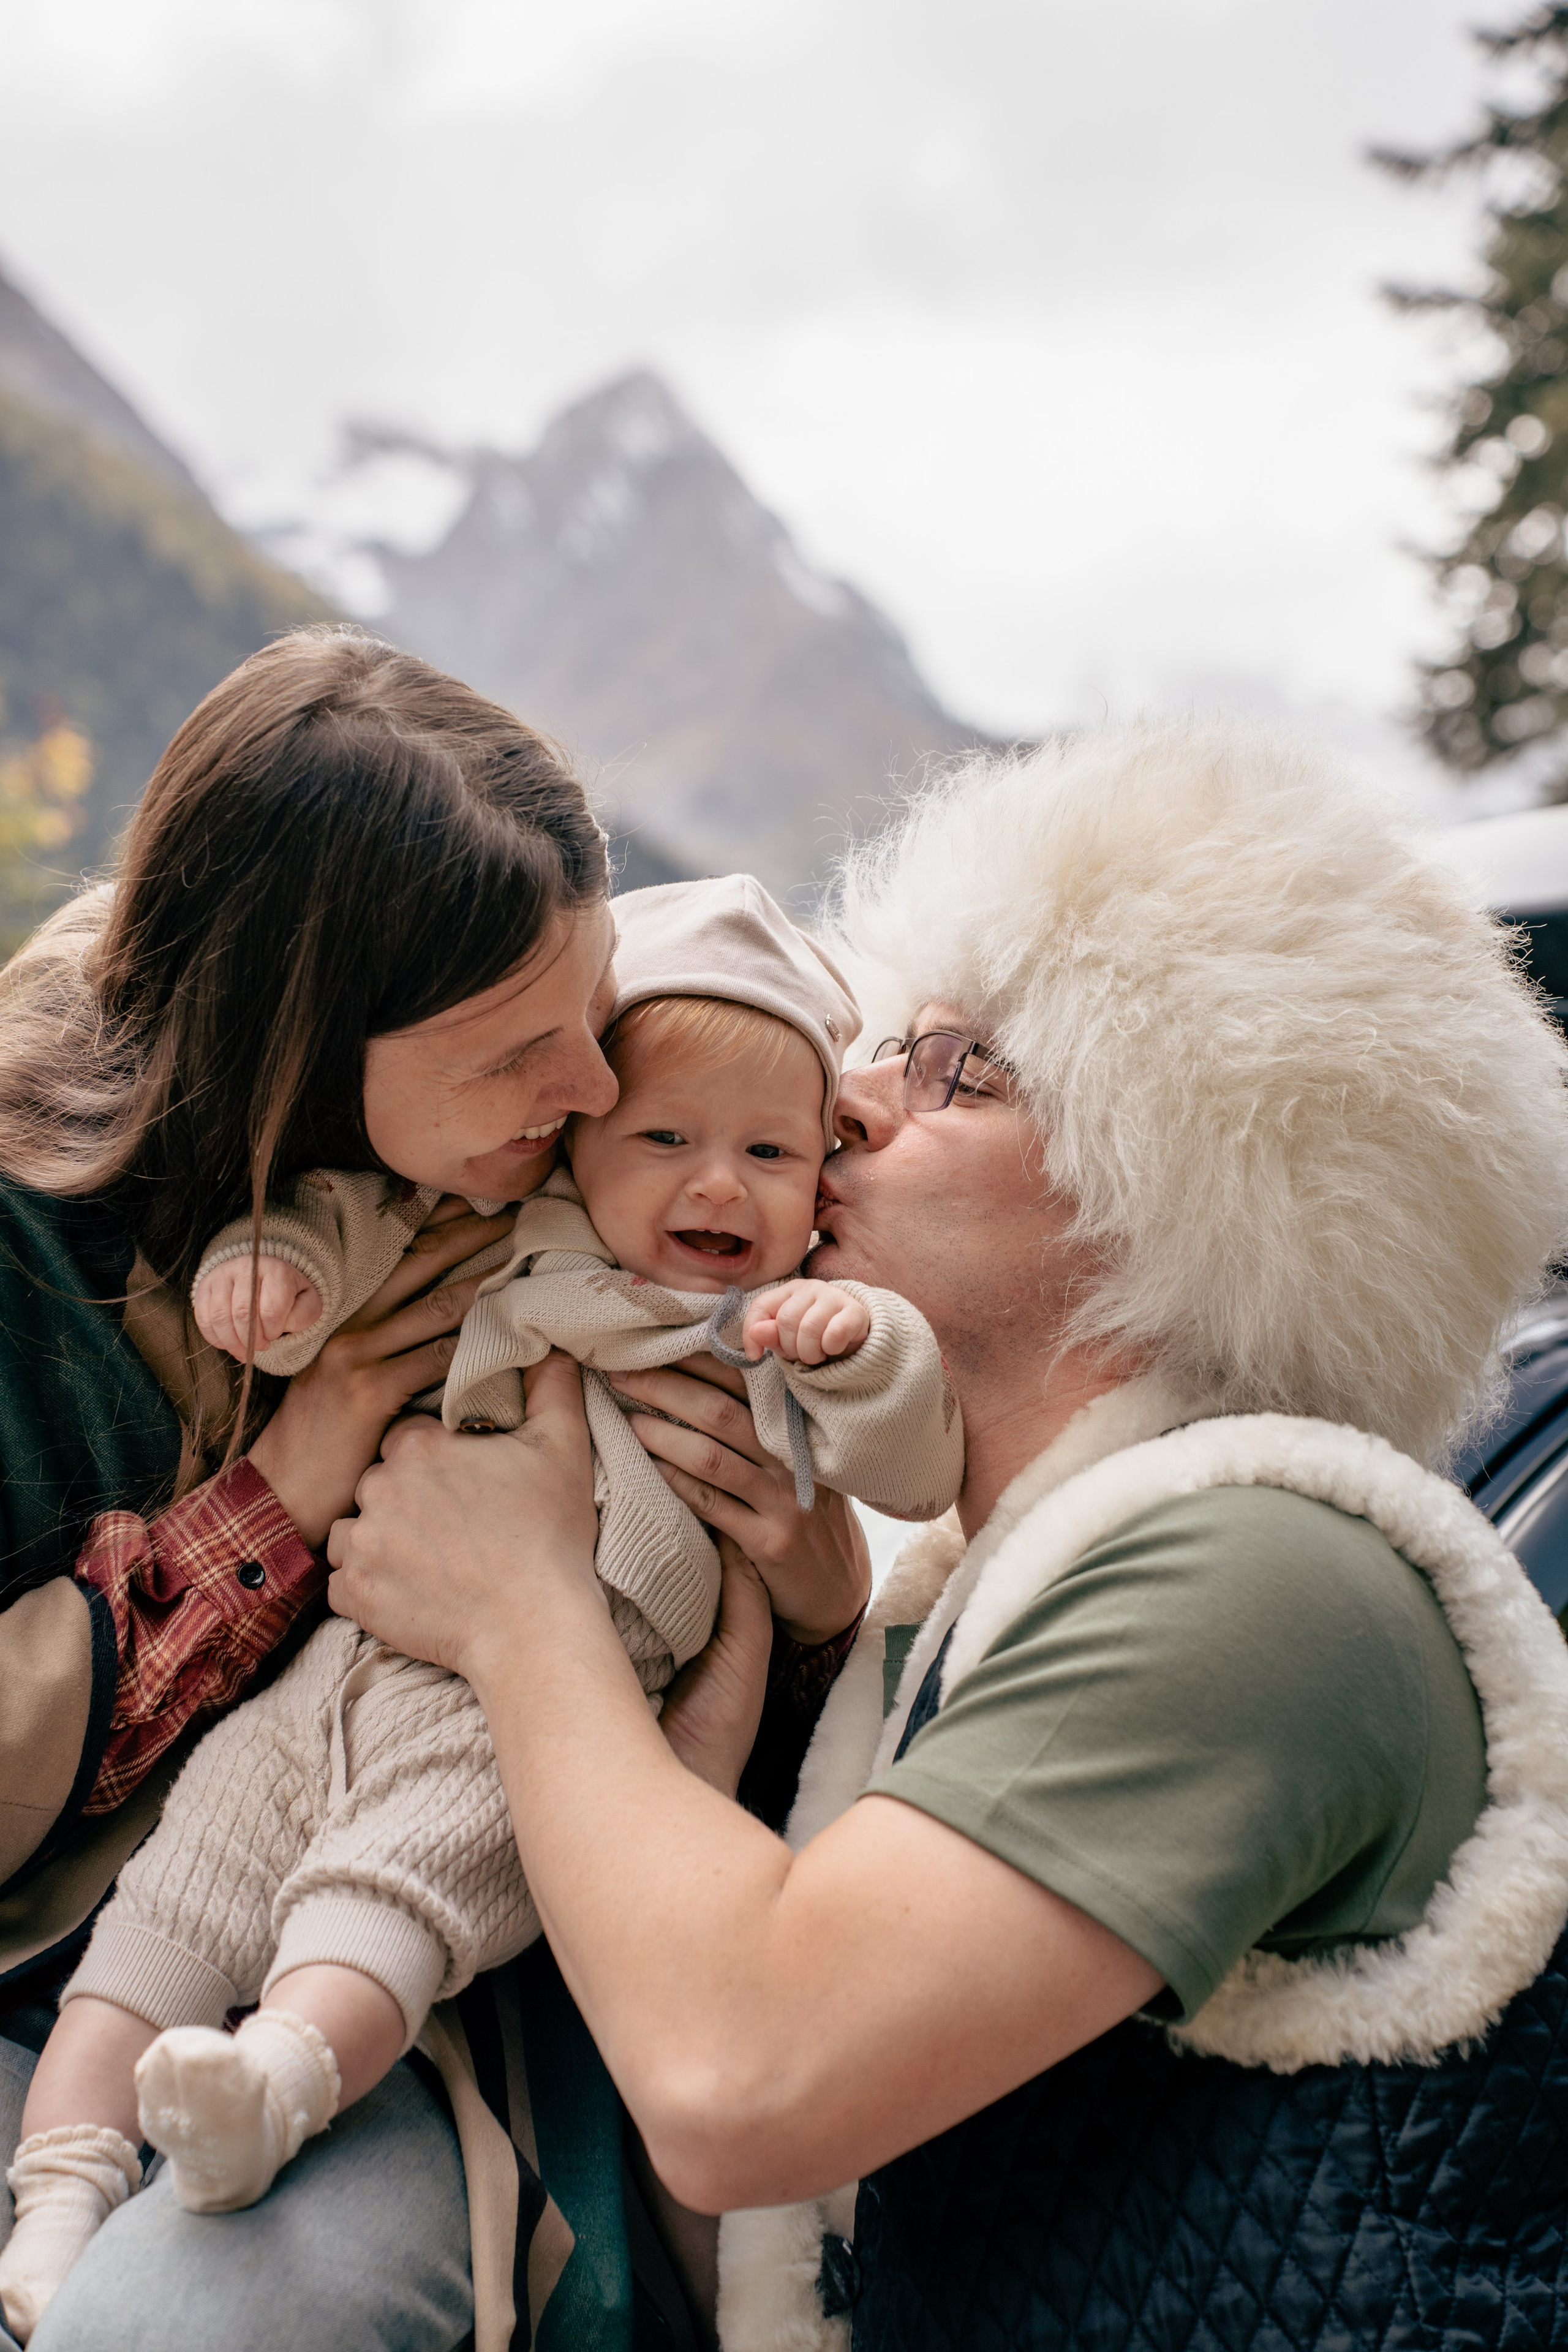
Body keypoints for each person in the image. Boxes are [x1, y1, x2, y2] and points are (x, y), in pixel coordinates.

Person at [323, 718, 1568, 2351]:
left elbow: (741, 2080)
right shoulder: (966, 1600)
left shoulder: (1266, 1572)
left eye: (957, 1070)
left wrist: (522, 1606)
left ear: (1185, 1176)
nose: (837, 1104)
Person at [0, 627, 871, 2352]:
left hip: (438, 1995)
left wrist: (808, 1587)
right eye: (512, 1052)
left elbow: (666, 1682)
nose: (595, 1086)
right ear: (302, 1047)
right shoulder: (32, 1245)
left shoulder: (583, 1191)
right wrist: (276, 1498)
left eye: (591, 1006)